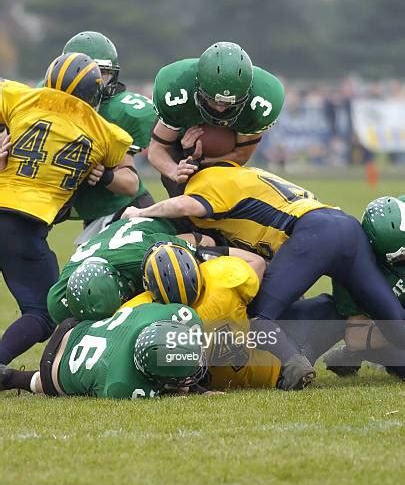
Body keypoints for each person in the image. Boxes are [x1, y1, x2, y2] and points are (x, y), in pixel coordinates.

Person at [122, 163, 405, 358]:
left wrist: (142, 212)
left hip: (314, 232)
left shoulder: (210, 181)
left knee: (260, 318)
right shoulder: (249, 179)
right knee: (396, 324)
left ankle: (294, 365)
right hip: (344, 226)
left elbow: (185, 204)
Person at [0, 53, 133, 365]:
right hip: (24, 227)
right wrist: (108, 175)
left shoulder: (19, 96)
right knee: (43, 313)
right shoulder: (106, 133)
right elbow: (131, 183)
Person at [124, 243, 345, 390]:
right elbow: (257, 263)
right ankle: (297, 357)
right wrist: (209, 250)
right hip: (267, 367)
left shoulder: (143, 308)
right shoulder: (222, 277)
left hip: (207, 379)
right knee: (321, 308)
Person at [148, 41, 285, 197]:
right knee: (184, 205)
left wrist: (202, 161)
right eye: (214, 100)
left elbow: (241, 155)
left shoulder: (261, 102)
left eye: (230, 104)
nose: (221, 109)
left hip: (223, 156)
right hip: (179, 143)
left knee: (222, 205)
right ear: (198, 87)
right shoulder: (178, 87)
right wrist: (175, 171)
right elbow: (157, 149)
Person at [60, 31, 157, 244]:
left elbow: (130, 183)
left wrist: (103, 175)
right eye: (83, 73)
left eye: (100, 74)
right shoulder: (46, 101)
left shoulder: (118, 111)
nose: (92, 83)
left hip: (121, 211)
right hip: (85, 209)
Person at [0, 303, 206, 399]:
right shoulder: (122, 385)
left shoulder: (161, 314)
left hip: (74, 326)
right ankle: (12, 378)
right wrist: (192, 389)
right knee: (52, 383)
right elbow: (169, 389)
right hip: (54, 369)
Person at [47, 216, 213, 324]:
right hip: (114, 235)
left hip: (158, 221)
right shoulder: (59, 300)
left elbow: (204, 242)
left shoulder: (142, 255)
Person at [325, 196, 405, 378]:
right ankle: (353, 355)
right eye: (400, 257)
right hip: (389, 332)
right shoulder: (352, 267)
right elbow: (356, 337)